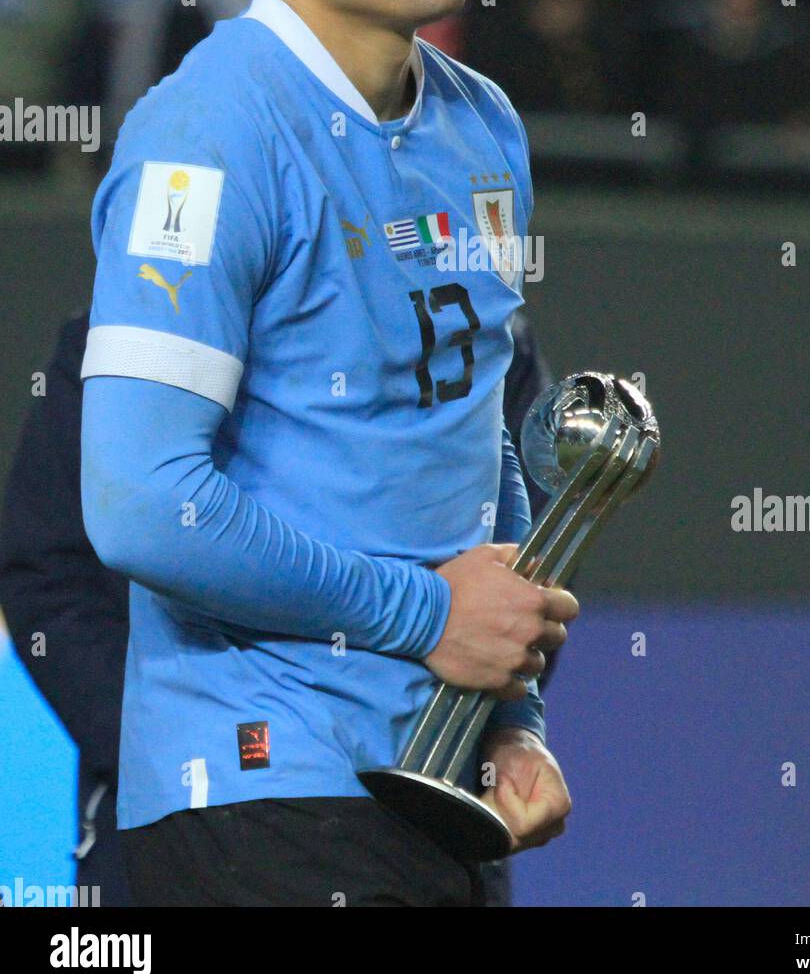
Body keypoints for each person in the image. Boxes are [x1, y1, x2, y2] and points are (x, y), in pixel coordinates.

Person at [77, 0, 578, 907]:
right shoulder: (203, 141)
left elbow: (475, 439)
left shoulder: (482, 125)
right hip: (258, 788)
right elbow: (139, 503)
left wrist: (509, 709)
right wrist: (426, 615)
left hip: (437, 781)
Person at [0, 307, 557, 908]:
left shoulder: (469, 320)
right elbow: (51, 573)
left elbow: (519, 589)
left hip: (433, 801)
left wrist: (508, 729)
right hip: (188, 818)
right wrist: (169, 743)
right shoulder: (141, 322)